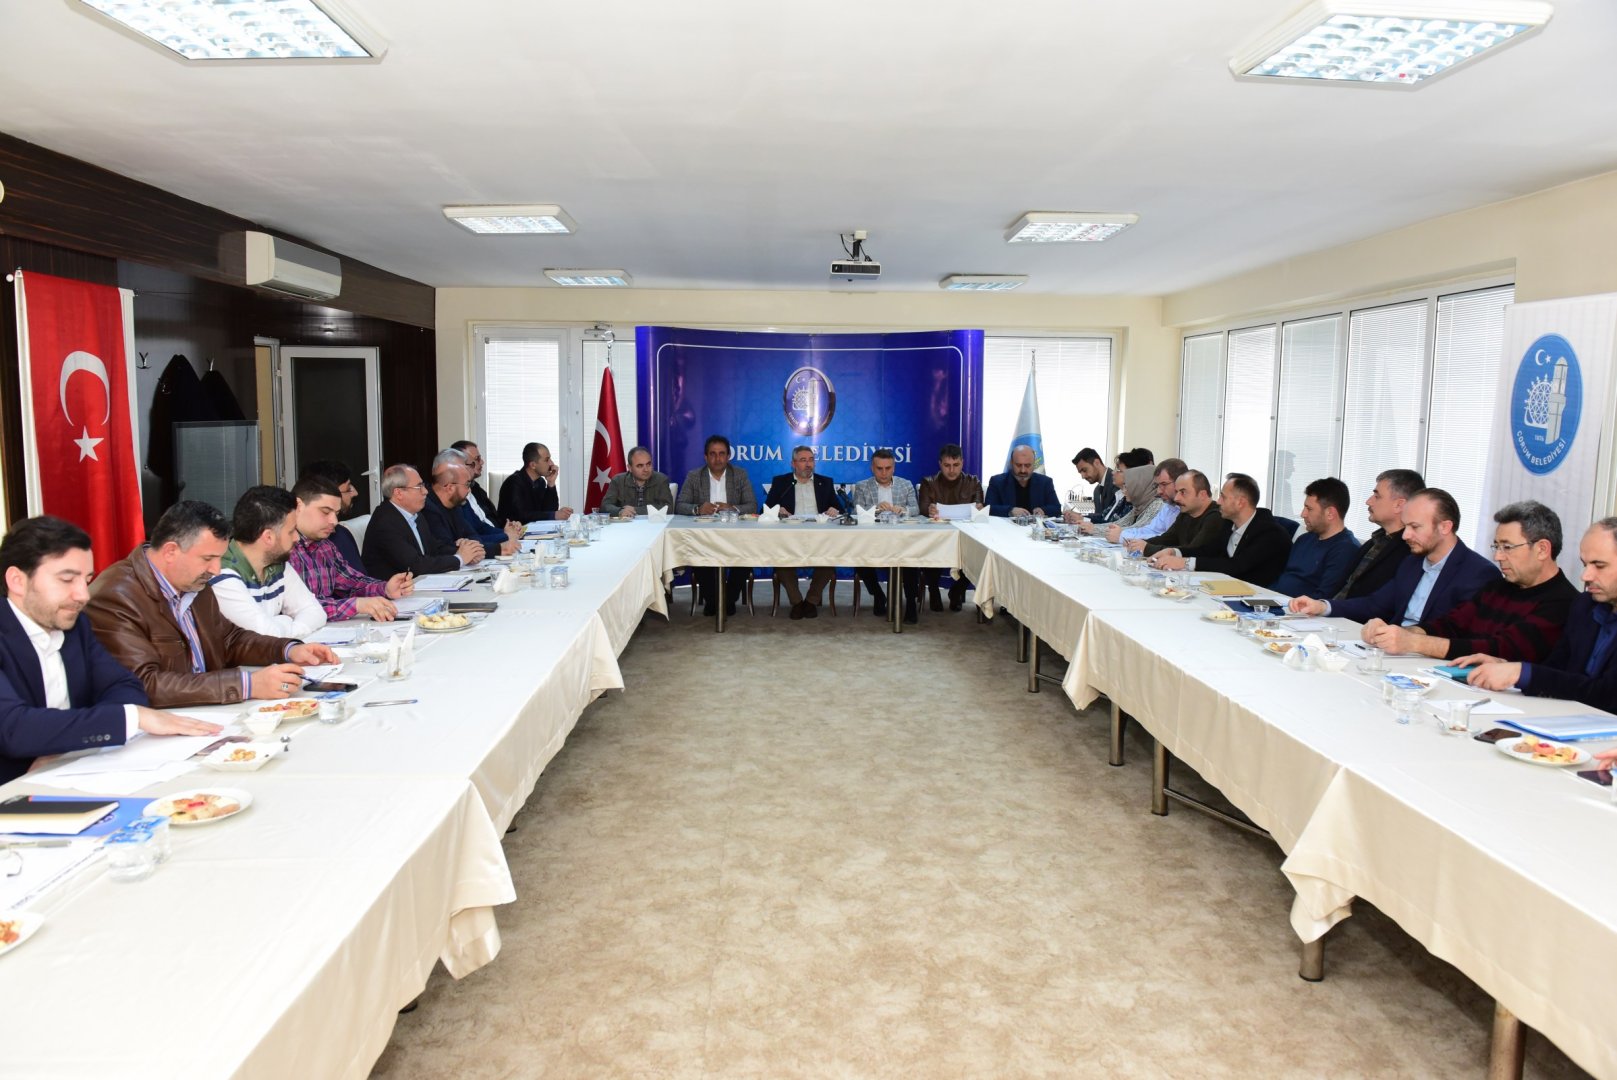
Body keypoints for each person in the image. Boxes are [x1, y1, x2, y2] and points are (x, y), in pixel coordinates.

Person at [0, 516, 221, 786]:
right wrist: (131, 718)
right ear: (17, 581)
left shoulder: (75, 625)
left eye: (86, 580)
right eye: (67, 579)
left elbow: (124, 685)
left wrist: (66, 742)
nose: (83, 595)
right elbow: (13, 728)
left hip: (70, 775)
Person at [86, 501, 338, 707]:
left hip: (207, 712)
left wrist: (288, 650)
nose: (216, 570)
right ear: (171, 551)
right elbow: (144, 684)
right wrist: (246, 685)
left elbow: (230, 640)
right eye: (208, 558)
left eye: (219, 558)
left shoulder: (192, 581)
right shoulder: (116, 596)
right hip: (155, 732)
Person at [1360, 501, 1576, 662]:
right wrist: (1395, 634)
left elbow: (1501, 650)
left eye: (1507, 547)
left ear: (1542, 549)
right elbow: (1450, 625)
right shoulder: (1499, 587)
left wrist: (1415, 643)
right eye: (1496, 546)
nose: (1498, 556)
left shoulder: (1563, 602)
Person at [1460, 518, 1617, 711]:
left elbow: (1608, 695)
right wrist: (1507, 666)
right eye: (1585, 564)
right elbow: (1558, 669)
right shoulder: (1585, 605)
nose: (1585, 576)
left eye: (1599, 565)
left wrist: (1523, 673)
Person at [1288, 488, 1496, 627]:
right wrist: (1322, 606)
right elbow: (1375, 604)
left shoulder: (1477, 573)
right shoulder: (1412, 563)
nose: (1405, 535)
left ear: (1445, 527)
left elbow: (1459, 633)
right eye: (1406, 526)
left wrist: (1409, 638)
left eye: (1414, 527)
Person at [287, 474, 414, 622]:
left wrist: (385, 589)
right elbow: (299, 610)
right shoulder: (283, 550)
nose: (334, 521)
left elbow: (352, 582)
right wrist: (356, 605)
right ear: (298, 506)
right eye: (325, 512)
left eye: (336, 514)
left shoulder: (325, 547)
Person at [211, 485, 327, 638]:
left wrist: (281, 625)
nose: (297, 538)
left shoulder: (276, 563)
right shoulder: (221, 574)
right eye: (291, 531)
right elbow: (264, 636)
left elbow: (316, 613)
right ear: (268, 537)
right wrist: (285, 620)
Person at [1148, 473, 1291, 586]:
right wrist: (1175, 552)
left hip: (1257, 600)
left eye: (1223, 497)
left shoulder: (1270, 533)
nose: (1218, 501)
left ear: (1240, 502)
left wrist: (1185, 563)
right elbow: (1207, 551)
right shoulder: (1228, 523)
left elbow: (1237, 566)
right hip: (1226, 590)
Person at [675, 435, 759, 618]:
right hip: (704, 536)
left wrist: (732, 508)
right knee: (699, 559)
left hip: (735, 536)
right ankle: (714, 601)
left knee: (746, 557)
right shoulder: (694, 476)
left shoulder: (740, 475)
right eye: (713, 454)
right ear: (706, 457)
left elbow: (752, 505)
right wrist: (698, 509)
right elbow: (680, 505)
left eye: (722, 454)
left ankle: (726, 601)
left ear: (728, 456)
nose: (718, 458)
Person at [763, 446, 844, 619]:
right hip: (789, 538)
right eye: (803, 460)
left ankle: (811, 601)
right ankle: (797, 602)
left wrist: (834, 509)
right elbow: (764, 511)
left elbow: (841, 509)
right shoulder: (781, 482)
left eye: (811, 460)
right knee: (781, 559)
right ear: (793, 464)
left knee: (830, 558)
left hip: (820, 537)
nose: (808, 464)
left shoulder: (825, 482)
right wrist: (777, 511)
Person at [363, 465, 479, 578]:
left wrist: (465, 550)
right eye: (419, 487)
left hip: (418, 582)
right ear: (399, 493)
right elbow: (415, 565)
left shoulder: (416, 515)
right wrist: (460, 558)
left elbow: (435, 549)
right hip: (394, 588)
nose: (425, 491)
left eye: (423, 485)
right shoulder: (385, 522)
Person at [851, 449, 921, 623]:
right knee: (859, 558)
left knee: (911, 559)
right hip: (871, 542)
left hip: (901, 540)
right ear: (872, 468)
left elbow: (916, 509)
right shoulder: (862, 486)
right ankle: (878, 595)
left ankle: (910, 604)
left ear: (894, 468)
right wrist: (874, 509)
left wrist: (903, 509)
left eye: (888, 468)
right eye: (879, 468)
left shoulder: (905, 485)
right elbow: (856, 512)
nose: (884, 473)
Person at [1335, 468, 1423, 600]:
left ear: (1399, 505)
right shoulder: (1375, 541)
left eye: (1377, 496)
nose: (1368, 501)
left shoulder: (1410, 553)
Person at [918, 443, 984, 611]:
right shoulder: (928, 482)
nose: (952, 470)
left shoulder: (973, 482)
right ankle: (933, 590)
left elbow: (979, 508)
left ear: (962, 462)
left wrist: (979, 509)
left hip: (965, 536)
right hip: (937, 536)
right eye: (947, 465)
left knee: (978, 554)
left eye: (956, 465)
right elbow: (923, 508)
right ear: (940, 464)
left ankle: (957, 591)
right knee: (931, 548)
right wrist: (929, 510)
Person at [1270, 478, 1359, 599]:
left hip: (1300, 608)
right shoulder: (1304, 539)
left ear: (1330, 513)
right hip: (1275, 601)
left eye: (1309, 509)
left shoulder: (1345, 549)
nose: (1303, 514)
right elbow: (1283, 578)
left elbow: (1323, 598)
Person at [429, 451, 517, 557]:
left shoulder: (455, 505)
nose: (469, 490)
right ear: (450, 488)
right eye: (467, 484)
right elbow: (443, 549)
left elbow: (473, 536)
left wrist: (468, 545)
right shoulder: (429, 509)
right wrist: (496, 548)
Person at [1127, 469, 1223, 557]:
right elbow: (1167, 539)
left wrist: (1147, 548)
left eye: (1183, 492)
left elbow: (1193, 551)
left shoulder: (1217, 516)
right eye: (1176, 492)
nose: (1176, 498)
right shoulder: (1186, 513)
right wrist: (1140, 543)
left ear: (1202, 495)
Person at [298, 459, 365, 570]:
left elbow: (352, 577)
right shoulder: (288, 549)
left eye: (336, 513)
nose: (355, 493)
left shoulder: (334, 539)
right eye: (348, 488)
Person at [1108, 459, 1187, 544]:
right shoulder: (1169, 506)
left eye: (1164, 484)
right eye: (1157, 485)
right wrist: (1122, 533)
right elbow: (1150, 530)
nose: (1159, 491)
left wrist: (1123, 536)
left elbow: (1167, 539)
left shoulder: (1182, 508)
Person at [496, 442, 574, 524]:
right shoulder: (513, 483)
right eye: (547, 460)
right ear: (533, 465)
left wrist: (551, 484)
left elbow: (549, 511)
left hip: (533, 529)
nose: (551, 463)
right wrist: (554, 515)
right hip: (512, 530)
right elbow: (520, 516)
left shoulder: (540, 482)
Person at [985, 445, 1061, 519]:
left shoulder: (1045, 482)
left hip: (1035, 526)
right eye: (1018, 465)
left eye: (1027, 465)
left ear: (1034, 464)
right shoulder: (997, 481)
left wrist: (1043, 510)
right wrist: (1010, 511)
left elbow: (1057, 508)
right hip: (1007, 526)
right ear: (1011, 463)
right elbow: (988, 508)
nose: (1023, 470)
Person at [1082, 462, 1156, 537]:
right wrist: (1093, 528)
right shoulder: (1138, 506)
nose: (1124, 491)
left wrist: (1094, 530)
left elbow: (1139, 529)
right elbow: (1121, 523)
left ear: (1139, 486)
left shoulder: (1156, 505)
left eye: (1127, 486)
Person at [449, 439, 509, 531]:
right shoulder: (456, 496)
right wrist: (504, 534)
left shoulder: (476, 488)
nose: (482, 462)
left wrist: (508, 527)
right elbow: (475, 532)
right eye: (477, 459)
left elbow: (492, 519)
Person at [601, 447, 674, 518]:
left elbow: (668, 508)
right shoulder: (618, 481)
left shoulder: (661, 480)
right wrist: (620, 511)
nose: (646, 469)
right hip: (626, 524)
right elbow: (604, 506)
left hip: (652, 523)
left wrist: (636, 510)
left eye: (648, 464)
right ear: (630, 468)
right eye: (640, 466)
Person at [1065, 448, 1119, 524]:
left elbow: (1113, 518)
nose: (1083, 476)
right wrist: (1079, 519)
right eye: (1080, 473)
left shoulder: (1117, 482)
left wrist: (1082, 518)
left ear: (1097, 463)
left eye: (1084, 470)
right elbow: (1099, 520)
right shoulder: (1096, 491)